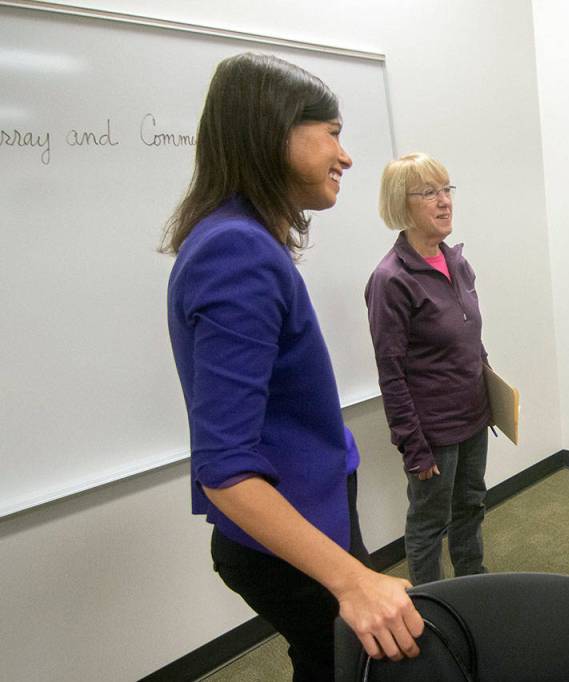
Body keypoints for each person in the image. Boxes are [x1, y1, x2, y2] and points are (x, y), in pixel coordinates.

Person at [162, 53, 423, 681]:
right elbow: (224, 468)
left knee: (328, 661)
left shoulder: (242, 238)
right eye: (332, 133)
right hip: (288, 539)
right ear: (276, 132)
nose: (347, 155)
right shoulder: (235, 251)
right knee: (352, 665)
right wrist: (353, 581)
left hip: (310, 514)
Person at [365, 153, 491, 586]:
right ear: (403, 204)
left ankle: (473, 585)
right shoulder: (391, 279)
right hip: (433, 433)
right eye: (429, 193)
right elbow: (391, 372)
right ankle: (432, 604)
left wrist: (491, 393)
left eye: (447, 189)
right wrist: (412, 446)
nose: (444, 202)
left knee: (471, 505)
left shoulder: (454, 260)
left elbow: (469, 334)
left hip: (474, 418)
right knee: (429, 524)